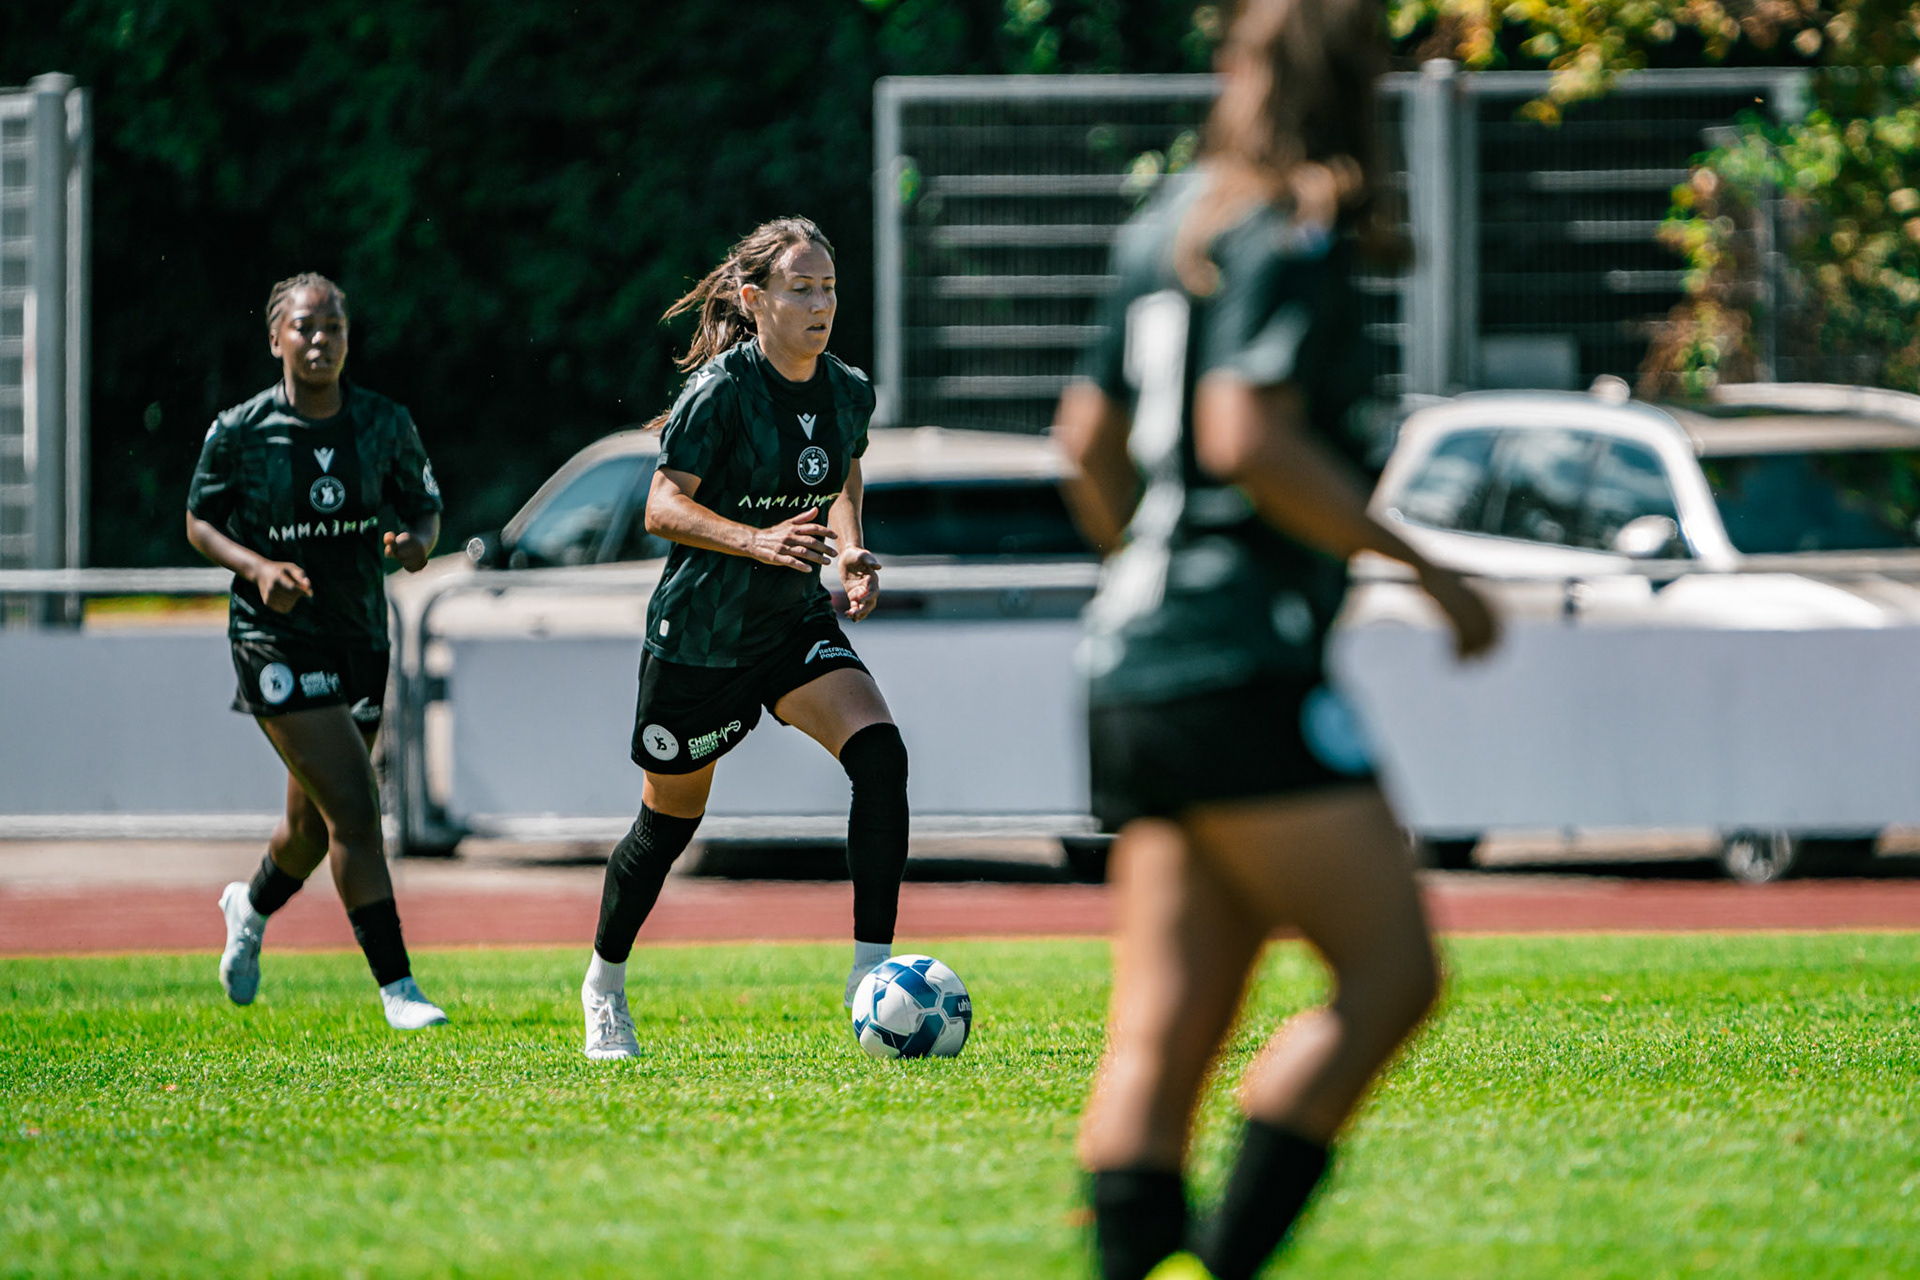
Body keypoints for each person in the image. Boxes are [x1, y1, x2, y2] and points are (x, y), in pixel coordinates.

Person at [1052, 2, 1501, 1276]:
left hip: (1131, 662)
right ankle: (1231, 1258)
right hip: (1237, 660)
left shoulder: (1164, 220)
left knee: (1163, 1029)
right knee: (1390, 975)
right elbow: (1250, 432)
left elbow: (1082, 443)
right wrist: (1430, 571)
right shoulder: (1299, 219)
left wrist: (1150, 569)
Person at [579, 217, 911, 1060]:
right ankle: (604, 986)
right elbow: (659, 507)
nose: (821, 302)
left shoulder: (845, 390)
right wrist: (756, 540)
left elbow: (841, 469)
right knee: (668, 826)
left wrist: (850, 546)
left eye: (829, 286)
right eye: (801, 287)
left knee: (880, 753)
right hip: (701, 637)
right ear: (752, 298)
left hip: (790, 623)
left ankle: (871, 980)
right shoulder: (721, 392)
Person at [188, 272, 450, 1031]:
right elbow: (199, 520)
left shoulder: (382, 423)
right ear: (276, 339)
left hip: (360, 634)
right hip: (274, 639)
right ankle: (398, 989)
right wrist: (260, 569)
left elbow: (425, 509)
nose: (320, 340)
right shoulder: (241, 430)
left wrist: (415, 545)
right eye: (304, 327)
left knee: (312, 824)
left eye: (332, 327)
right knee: (359, 811)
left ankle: (251, 904)